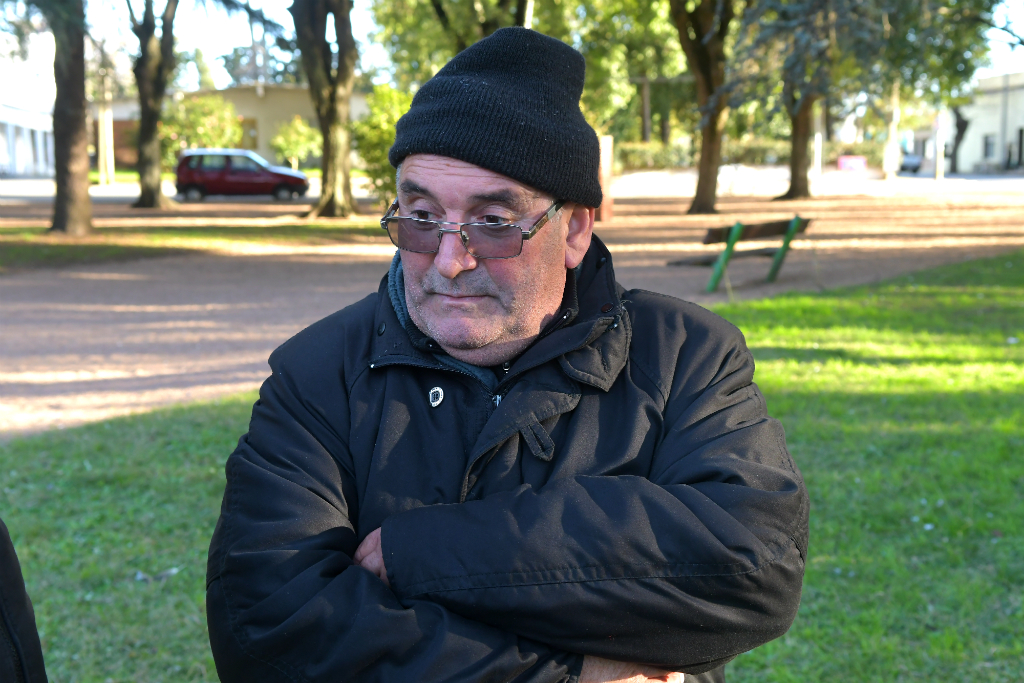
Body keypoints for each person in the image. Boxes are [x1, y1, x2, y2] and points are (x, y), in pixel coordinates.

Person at [206, 27, 808, 683]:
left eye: (493, 222)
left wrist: (422, 551)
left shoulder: (686, 355)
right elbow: (267, 626)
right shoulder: (317, 374)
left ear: (574, 228)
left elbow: (753, 564)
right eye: (420, 215)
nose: (449, 259)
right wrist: (575, 672)